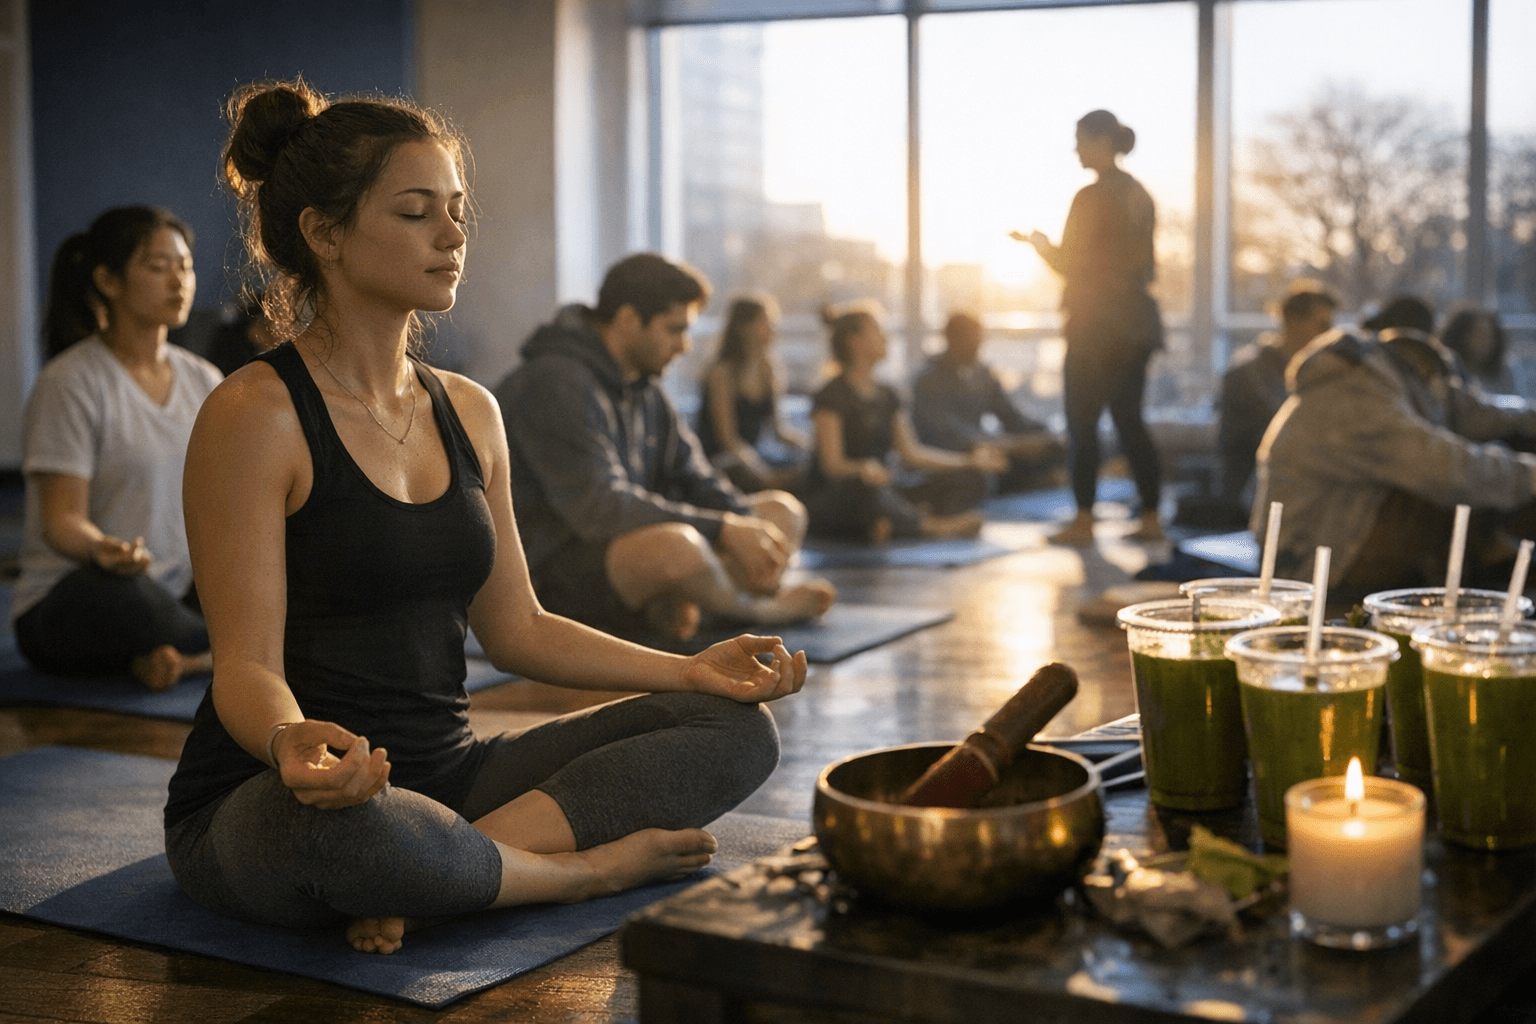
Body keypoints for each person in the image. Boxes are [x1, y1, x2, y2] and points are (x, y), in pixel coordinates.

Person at [165, 78, 807, 958]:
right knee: (343, 833)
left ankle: (456, 872)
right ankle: (579, 871)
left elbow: (519, 628)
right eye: (417, 212)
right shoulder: (254, 415)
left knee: (736, 731)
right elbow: (243, 666)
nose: (454, 234)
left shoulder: (469, 409)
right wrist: (290, 742)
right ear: (324, 233)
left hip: (452, 779)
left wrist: (690, 671)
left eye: (457, 210)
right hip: (288, 798)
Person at [495, 256, 835, 645]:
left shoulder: (644, 385)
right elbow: (600, 510)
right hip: (552, 573)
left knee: (780, 513)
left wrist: (746, 526)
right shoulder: (554, 382)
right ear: (628, 320)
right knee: (678, 548)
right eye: (675, 330)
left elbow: (695, 476)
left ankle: (699, 603)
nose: (685, 346)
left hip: (617, 547)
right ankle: (751, 612)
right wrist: (723, 530)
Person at [9, 206, 220, 691]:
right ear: (107, 279)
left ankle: (185, 657)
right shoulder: (71, 382)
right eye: (158, 266)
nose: (179, 281)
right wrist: (103, 549)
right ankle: (229, 651)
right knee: (125, 597)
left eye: (184, 265)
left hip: (176, 592)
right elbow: (61, 521)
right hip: (78, 597)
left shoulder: (204, 380)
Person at [1253, 324, 1536, 598]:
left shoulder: (1380, 378)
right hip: (1306, 562)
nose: (1442, 395)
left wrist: (1526, 421)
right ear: (1423, 371)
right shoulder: (1355, 395)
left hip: (1334, 530)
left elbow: (1466, 410)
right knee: (1448, 496)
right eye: (1440, 385)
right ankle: (1497, 583)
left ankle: (1500, 568)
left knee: (1480, 483)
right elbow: (1445, 467)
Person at [1013, 109, 1164, 546]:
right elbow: (1143, 266)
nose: (1075, 149)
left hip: (1096, 326)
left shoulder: (1090, 197)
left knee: (1082, 422)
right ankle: (1153, 517)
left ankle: (1083, 521)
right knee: (1129, 420)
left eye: (1079, 139)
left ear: (1100, 141)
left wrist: (1040, 245)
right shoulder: (1140, 194)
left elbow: (1071, 264)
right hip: (1136, 324)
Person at [801, 303, 1006, 543]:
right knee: (864, 489)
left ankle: (890, 522)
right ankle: (931, 526)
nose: (885, 337)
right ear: (854, 342)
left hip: (885, 488)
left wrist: (969, 462)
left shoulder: (888, 394)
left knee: (972, 477)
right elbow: (832, 466)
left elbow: (912, 454)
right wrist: (862, 468)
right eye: (877, 331)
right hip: (843, 493)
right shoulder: (831, 394)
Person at [911, 311, 1064, 493]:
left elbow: (1011, 416)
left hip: (991, 448)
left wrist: (1045, 434)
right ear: (951, 340)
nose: (977, 346)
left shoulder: (982, 374)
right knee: (980, 475)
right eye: (971, 340)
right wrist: (1008, 446)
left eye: (979, 339)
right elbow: (948, 434)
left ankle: (1044, 479)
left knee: (1053, 448)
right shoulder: (928, 378)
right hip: (954, 456)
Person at [1216, 280, 1338, 504]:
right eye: (1322, 326)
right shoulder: (1249, 374)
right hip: (1255, 493)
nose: (1330, 335)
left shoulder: (1315, 372)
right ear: (1293, 322)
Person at [695, 293, 809, 493]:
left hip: (752, 457)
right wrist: (761, 470)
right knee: (747, 474)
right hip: (723, 461)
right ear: (744, 328)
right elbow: (728, 440)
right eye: (765, 322)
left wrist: (809, 447)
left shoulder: (769, 370)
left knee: (805, 470)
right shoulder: (721, 372)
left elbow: (779, 431)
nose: (773, 328)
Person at [1442, 307, 1527, 399]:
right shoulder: (1447, 368)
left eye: (1489, 336)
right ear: (1462, 334)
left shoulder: (1504, 376)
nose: (1485, 342)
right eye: (1478, 334)